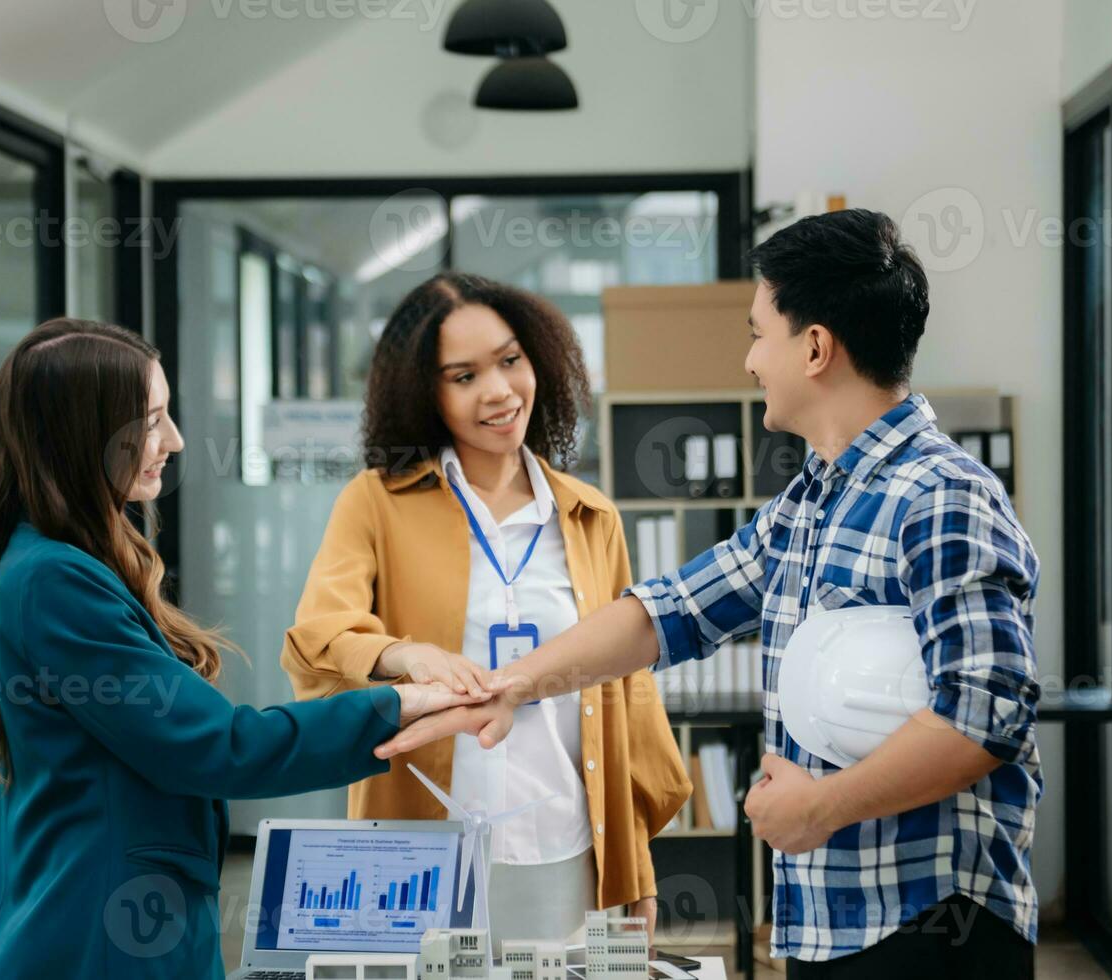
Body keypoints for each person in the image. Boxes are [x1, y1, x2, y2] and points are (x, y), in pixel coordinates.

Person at [376, 212, 1042, 978]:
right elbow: (670, 611)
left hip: (931, 922)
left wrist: (819, 808)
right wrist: (513, 686)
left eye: (759, 333)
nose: (751, 359)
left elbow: (984, 715)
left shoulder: (943, 496)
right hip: (831, 921)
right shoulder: (811, 501)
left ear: (815, 347)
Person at [0, 318, 483, 979]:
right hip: (105, 935)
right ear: (85, 434)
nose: (171, 441)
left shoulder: (58, 563)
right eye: (150, 420)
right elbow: (218, 747)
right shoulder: (57, 580)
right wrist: (395, 705)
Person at [281, 273, 690, 948]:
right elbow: (318, 638)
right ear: (426, 392)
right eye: (463, 376)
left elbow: (628, 687)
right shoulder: (376, 502)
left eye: (509, 361)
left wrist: (635, 869)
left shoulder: (589, 516)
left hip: (568, 838)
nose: (498, 391)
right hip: (420, 846)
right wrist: (405, 654)